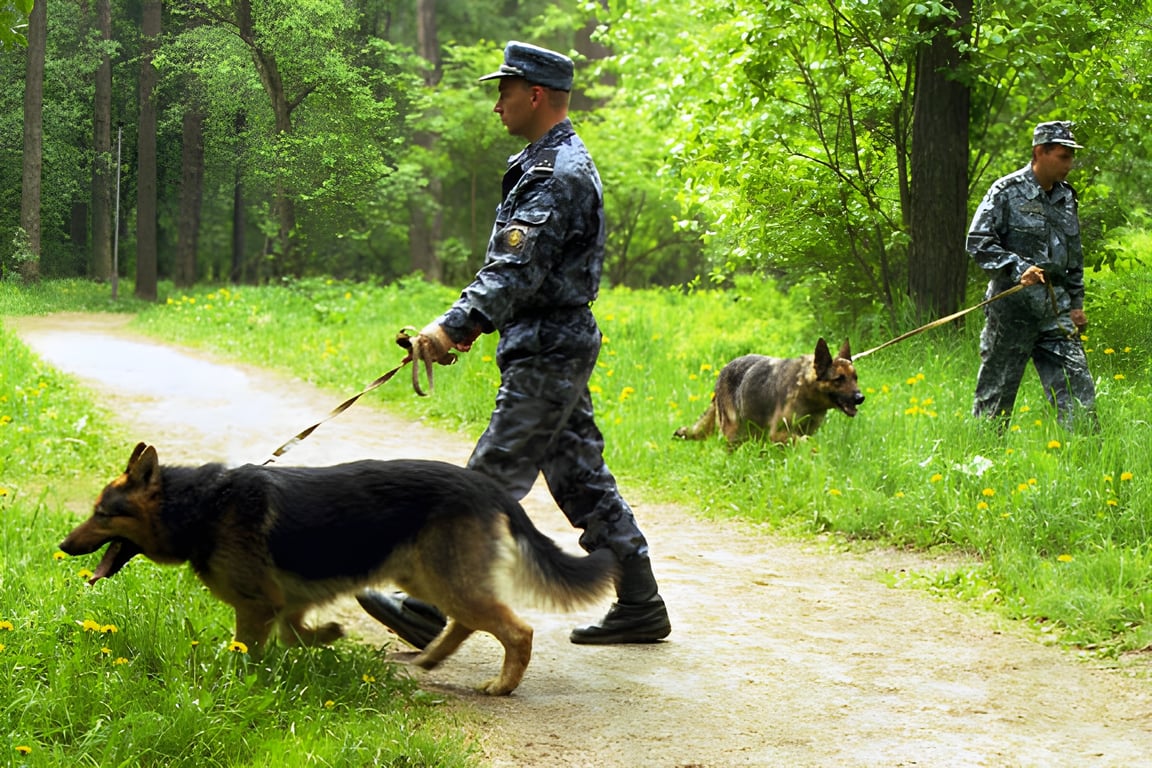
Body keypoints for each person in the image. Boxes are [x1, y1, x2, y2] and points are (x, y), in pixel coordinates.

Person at [357, 41, 671, 646]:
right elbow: (523, 276)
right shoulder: (540, 163)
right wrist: (474, 325)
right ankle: (641, 603)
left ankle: (425, 606)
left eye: (504, 90)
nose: (496, 103)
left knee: (486, 481)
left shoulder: (556, 174)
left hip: (550, 346)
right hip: (548, 339)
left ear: (534, 94)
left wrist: (453, 327)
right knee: (581, 476)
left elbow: (513, 272)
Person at [966, 120, 1098, 432]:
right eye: (1063, 156)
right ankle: (983, 460)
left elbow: (1073, 256)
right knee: (995, 398)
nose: (1070, 164)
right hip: (1011, 312)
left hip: (1055, 310)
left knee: (1079, 391)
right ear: (1041, 152)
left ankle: (1085, 458)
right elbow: (978, 242)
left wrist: (1076, 303)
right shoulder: (1005, 192)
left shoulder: (1067, 197)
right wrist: (1016, 267)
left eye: (1071, 157)